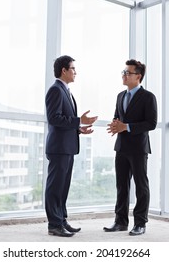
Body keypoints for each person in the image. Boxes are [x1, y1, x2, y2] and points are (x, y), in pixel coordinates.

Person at [45, 55, 98, 237]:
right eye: (73, 68)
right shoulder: (56, 90)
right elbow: (54, 118)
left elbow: (64, 121)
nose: (76, 72)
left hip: (67, 147)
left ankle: (61, 220)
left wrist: (79, 128)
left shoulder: (66, 91)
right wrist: (78, 120)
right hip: (59, 148)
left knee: (63, 187)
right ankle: (54, 224)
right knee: (55, 187)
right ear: (64, 71)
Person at [104, 59, 157, 236]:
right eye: (124, 72)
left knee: (141, 186)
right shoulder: (120, 96)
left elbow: (151, 123)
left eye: (128, 73)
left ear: (138, 76)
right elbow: (117, 116)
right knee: (121, 186)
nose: (124, 75)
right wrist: (115, 124)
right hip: (121, 147)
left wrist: (126, 127)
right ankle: (120, 222)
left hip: (138, 148)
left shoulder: (148, 97)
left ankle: (140, 223)